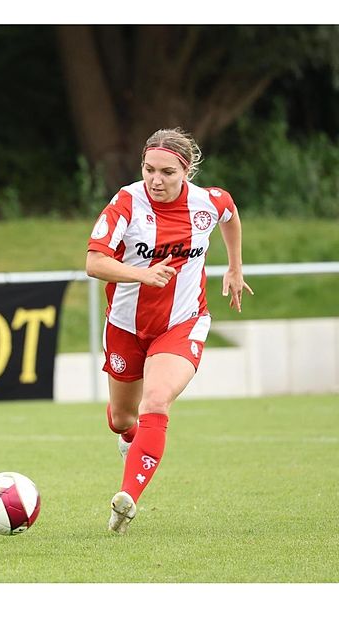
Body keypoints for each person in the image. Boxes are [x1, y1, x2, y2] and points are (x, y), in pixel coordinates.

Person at [86, 128, 253, 534]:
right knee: (122, 417)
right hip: (126, 325)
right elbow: (94, 262)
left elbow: (230, 216)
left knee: (156, 400)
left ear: (186, 171)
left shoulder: (208, 202)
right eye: (148, 169)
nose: (156, 180)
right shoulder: (126, 201)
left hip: (183, 322)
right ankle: (130, 437)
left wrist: (235, 266)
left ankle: (126, 500)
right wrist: (141, 275)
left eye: (167, 172)